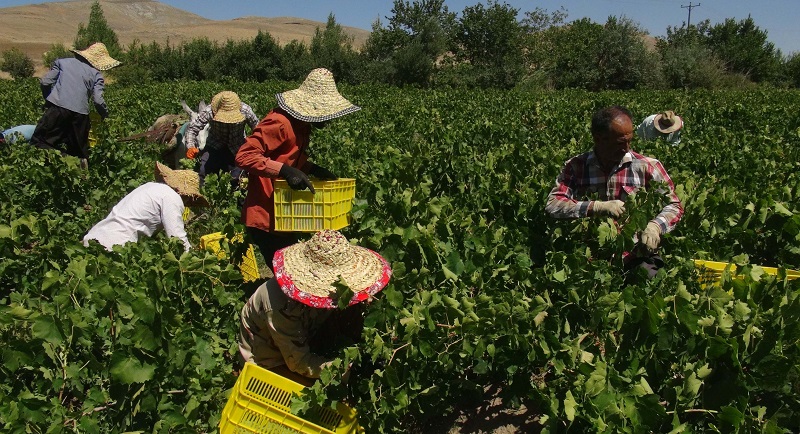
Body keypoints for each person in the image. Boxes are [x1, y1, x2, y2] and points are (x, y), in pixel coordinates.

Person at [235, 68, 359, 271]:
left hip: (284, 214)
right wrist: (284, 170)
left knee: (292, 273)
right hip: (266, 217)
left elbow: (285, 156)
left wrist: (312, 168)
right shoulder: (280, 122)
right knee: (288, 277)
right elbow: (244, 156)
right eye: (325, 114)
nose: (328, 121)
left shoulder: (301, 126)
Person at [545, 105, 683, 279]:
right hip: (587, 257)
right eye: (619, 143)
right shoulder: (576, 167)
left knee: (650, 280)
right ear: (599, 139)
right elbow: (553, 205)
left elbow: (674, 205)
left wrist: (655, 226)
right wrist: (595, 207)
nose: (626, 148)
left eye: (629, 140)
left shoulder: (648, 166)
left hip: (636, 254)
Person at [238, 230, 392, 385]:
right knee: (310, 393)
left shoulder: (322, 294)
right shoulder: (280, 307)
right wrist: (346, 370)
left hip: (306, 334)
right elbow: (299, 363)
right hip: (269, 359)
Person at [83, 162, 209, 251]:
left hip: (96, 236)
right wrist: (193, 256)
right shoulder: (172, 198)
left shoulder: (151, 187)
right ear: (186, 195)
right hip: (114, 246)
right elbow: (176, 238)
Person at [29, 42, 120, 166]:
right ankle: (80, 168)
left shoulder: (62, 63)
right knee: (78, 151)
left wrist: (49, 100)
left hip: (58, 110)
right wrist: (105, 115)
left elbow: (45, 82)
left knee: (40, 142)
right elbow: (98, 100)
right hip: (81, 117)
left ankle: (59, 162)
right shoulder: (96, 75)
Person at [183, 91, 259, 187]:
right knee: (203, 173)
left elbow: (257, 129)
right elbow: (192, 128)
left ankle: (238, 200)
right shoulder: (209, 111)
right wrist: (190, 146)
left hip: (237, 146)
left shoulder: (245, 110)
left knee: (238, 179)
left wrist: (254, 148)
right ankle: (204, 199)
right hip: (214, 144)